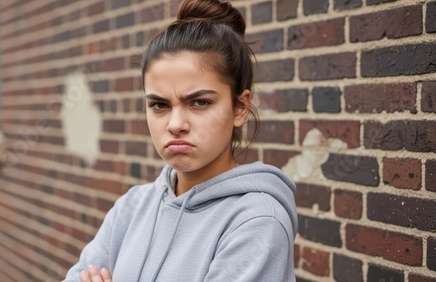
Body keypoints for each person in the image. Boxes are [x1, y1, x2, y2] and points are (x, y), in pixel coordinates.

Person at [63, 0, 297, 281]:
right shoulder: (133, 206)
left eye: (199, 102)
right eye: (159, 105)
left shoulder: (257, 222)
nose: (175, 125)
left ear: (240, 107)